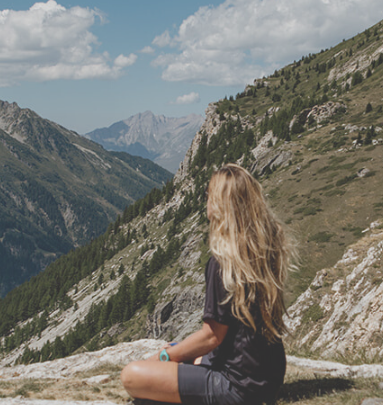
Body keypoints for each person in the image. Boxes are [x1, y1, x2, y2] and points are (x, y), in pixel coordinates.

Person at [122, 164, 296, 405]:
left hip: (236, 388)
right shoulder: (265, 248)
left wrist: (164, 356)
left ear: (221, 203)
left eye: (209, 195)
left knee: (132, 375)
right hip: (268, 378)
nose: (206, 200)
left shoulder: (223, 261)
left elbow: (211, 337)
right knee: (180, 350)